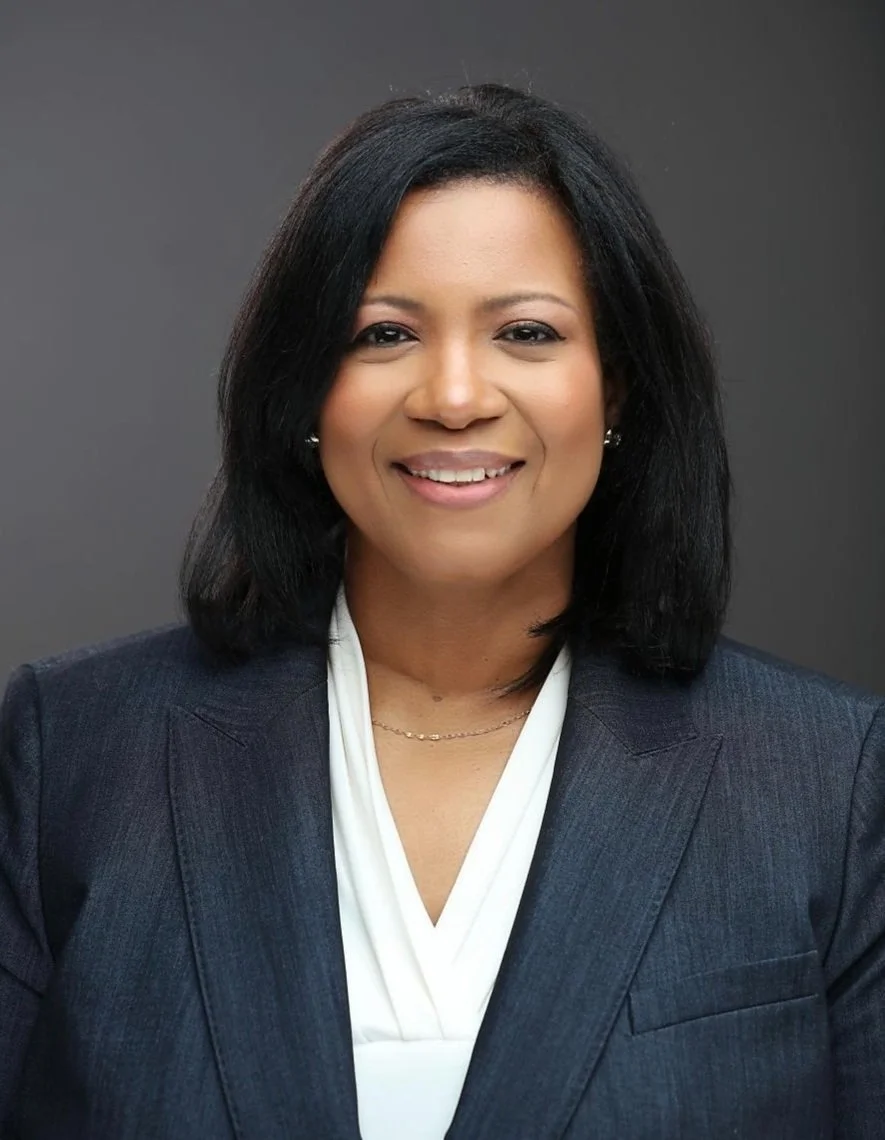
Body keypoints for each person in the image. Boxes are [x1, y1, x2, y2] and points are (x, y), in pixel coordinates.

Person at [1, 82, 883, 1140]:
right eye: (383, 335)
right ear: (305, 395)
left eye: (524, 330)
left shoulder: (827, 783)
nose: (455, 395)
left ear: (620, 394)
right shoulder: (77, 757)